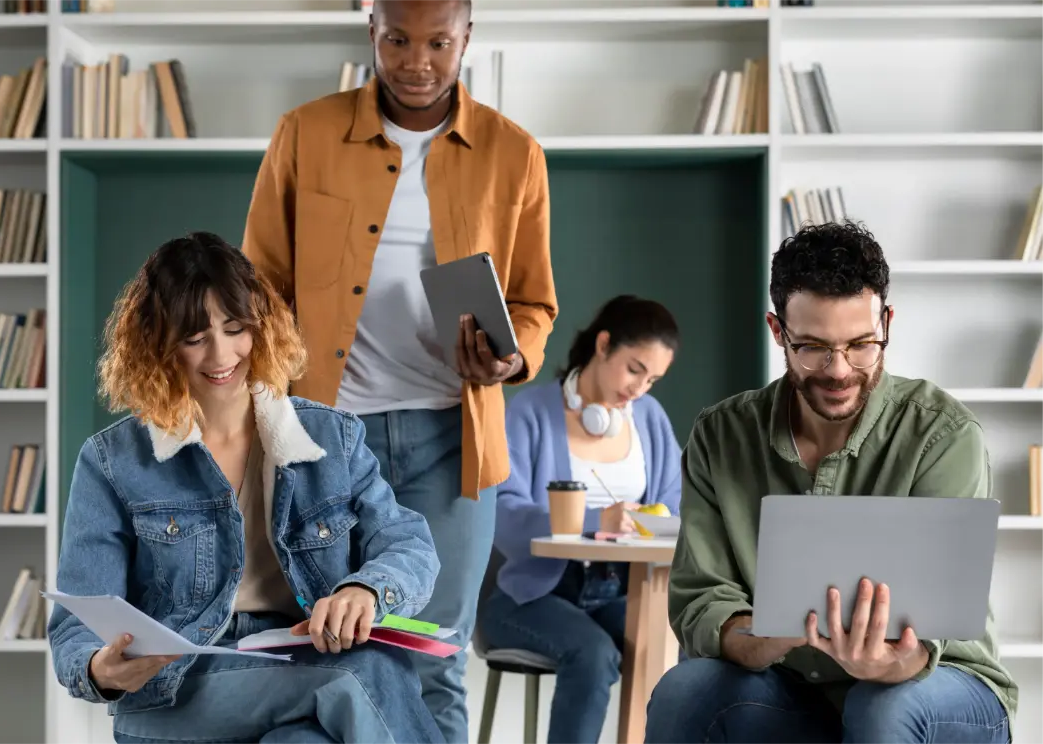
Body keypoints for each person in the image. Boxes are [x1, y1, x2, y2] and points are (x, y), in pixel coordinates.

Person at [240, 0, 558, 740]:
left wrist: (513, 357)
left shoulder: (515, 153)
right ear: (371, 33)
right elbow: (258, 284)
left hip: (454, 441)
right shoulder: (304, 133)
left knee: (434, 653)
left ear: (467, 39)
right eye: (398, 40)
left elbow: (534, 303)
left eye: (439, 43)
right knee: (312, 647)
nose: (417, 62)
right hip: (320, 439)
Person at [46, 232, 446, 744]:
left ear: (261, 324)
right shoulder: (112, 460)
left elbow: (408, 543)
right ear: (157, 343)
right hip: (180, 694)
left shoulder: (332, 437)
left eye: (235, 329)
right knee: (367, 670)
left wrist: (363, 589)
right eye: (195, 337)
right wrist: (101, 669)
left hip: (301, 666)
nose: (221, 354)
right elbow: (76, 625)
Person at [644, 221, 1017, 744]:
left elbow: (941, 625)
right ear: (778, 332)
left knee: (880, 707)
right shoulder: (720, 435)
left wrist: (889, 661)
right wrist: (761, 638)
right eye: (813, 347)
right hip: (791, 691)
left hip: (939, 686)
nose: (839, 370)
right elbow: (702, 598)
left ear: (886, 322)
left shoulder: (943, 433)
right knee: (686, 690)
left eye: (862, 344)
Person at [480, 295, 683, 744]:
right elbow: (504, 514)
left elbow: (676, 509)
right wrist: (596, 519)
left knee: (673, 652)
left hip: (622, 590)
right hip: (532, 593)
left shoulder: (649, 419)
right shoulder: (530, 412)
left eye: (652, 379)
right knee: (592, 655)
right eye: (634, 369)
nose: (639, 389)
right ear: (604, 344)